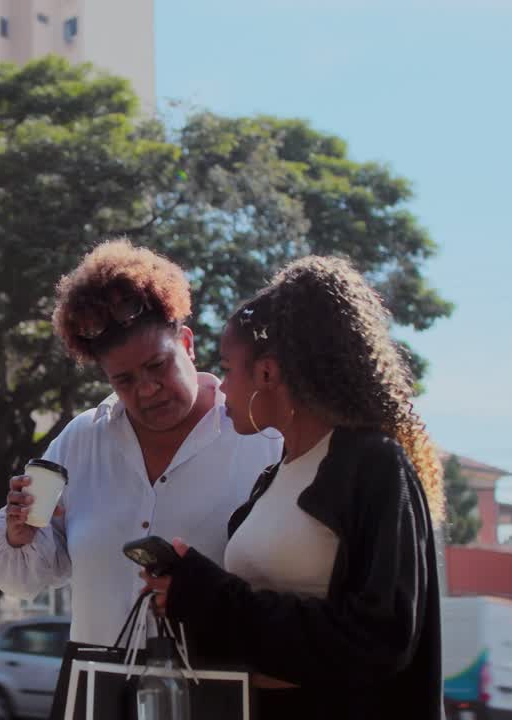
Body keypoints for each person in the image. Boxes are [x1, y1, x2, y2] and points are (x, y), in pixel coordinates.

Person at [143, 256, 446, 719]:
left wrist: (210, 596)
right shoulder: (271, 480)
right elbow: (251, 630)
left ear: (267, 374)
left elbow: (380, 640)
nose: (221, 388)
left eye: (227, 369)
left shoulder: (372, 465)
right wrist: (184, 593)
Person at [0, 239, 280, 646]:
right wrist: (20, 533)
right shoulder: (80, 441)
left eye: (158, 365)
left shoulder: (263, 435)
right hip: (94, 691)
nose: (148, 389)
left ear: (187, 345)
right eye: (124, 380)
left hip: (218, 691)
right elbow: (25, 578)